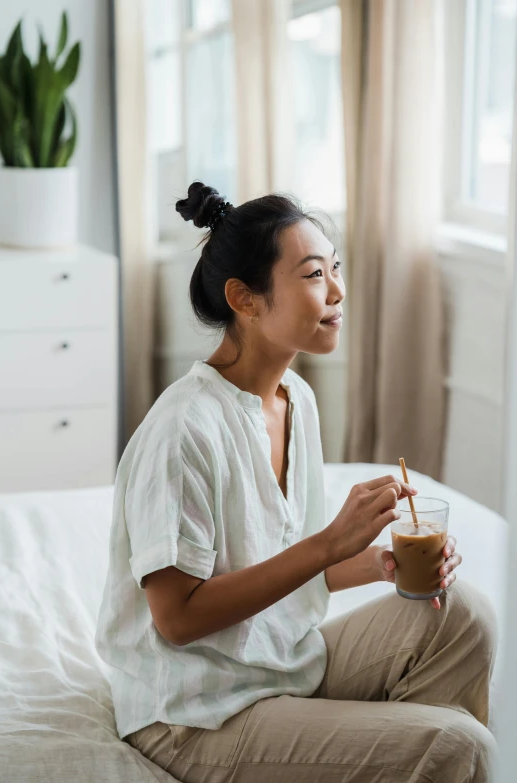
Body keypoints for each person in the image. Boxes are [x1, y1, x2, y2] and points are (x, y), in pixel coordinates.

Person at [95, 182, 497, 783]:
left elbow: (300, 564)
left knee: (461, 613)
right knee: (458, 745)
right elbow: (175, 619)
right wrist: (332, 542)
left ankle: (393, 754)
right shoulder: (184, 430)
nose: (337, 291)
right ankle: (416, 753)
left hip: (277, 663)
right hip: (195, 713)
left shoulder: (295, 400)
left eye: (335, 269)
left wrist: (380, 562)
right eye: (313, 275)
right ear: (246, 300)